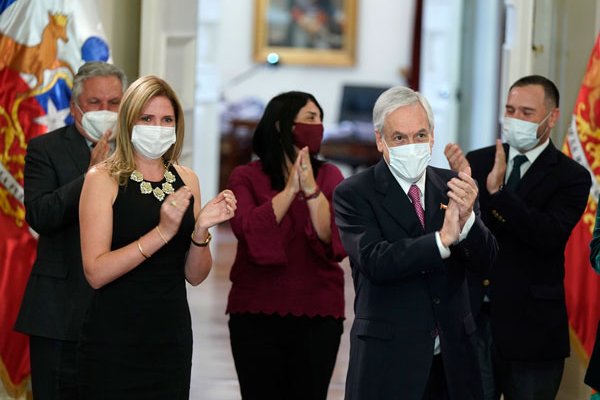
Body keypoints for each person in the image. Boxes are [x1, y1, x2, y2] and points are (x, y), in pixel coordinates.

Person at [76, 75, 237, 398]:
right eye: (147, 119)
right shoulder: (102, 179)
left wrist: (201, 231)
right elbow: (95, 272)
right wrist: (162, 232)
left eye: (166, 120)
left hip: (170, 335)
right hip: (114, 336)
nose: (158, 127)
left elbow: (195, 276)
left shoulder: (187, 179)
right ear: (129, 121)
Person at [333, 85, 498, 400]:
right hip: (389, 361)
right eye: (399, 138)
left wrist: (468, 225)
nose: (412, 145)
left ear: (433, 136)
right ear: (381, 140)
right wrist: (441, 240)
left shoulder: (455, 185)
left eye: (420, 135)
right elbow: (376, 260)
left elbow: (487, 261)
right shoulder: (354, 193)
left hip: (452, 361)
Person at [444, 74, 591, 399]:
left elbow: (547, 234)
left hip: (533, 331)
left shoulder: (572, 176)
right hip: (475, 321)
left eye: (526, 112)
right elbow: (458, 237)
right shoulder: (478, 162)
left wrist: (498, 193)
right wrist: (459, 195)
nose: (515, 119)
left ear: (551, 117)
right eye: (510, 110)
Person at [14, 61, 127, 400]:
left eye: (114, 103)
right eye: (95, 102)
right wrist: (90, 177)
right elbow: (41, 215)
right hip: (58, 312)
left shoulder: (140, 152)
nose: (105, 110)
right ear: (75, 106)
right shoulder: (44, 149)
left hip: (119, 310)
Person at [226, 91, 346, 400]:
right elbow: (249, 230)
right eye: (309, 118)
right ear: (281, 125)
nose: (317, 126)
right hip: (255, 310)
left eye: (320, 119)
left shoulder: (331, 176)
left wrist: (310, 190)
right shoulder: (245, 177)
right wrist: (290, 189)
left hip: (319, 311)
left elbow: (331, 235)